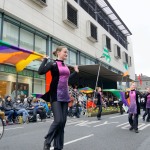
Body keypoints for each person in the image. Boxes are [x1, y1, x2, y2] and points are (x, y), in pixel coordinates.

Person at [38, 46, 79, 150]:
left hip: (65, 96)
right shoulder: (52, 63)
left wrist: (76, 72)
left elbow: (66, 79)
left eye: (67, 52)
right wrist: (45, 60)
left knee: (63, 123)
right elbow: (40, 71)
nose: (66, 54)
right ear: (58, 53)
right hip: (55, 95)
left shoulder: (65, 65)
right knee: (58, 120)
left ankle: (58, 147)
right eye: (65, 52)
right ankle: (47, 141)